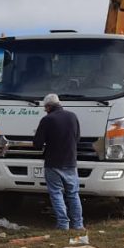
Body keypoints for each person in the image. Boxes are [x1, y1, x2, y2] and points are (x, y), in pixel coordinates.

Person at [32, 93, 86, 238]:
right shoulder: (72, 116)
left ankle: (63, 224)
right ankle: (78, 224)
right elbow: (77, 138)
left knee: (56, 193)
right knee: (73, 193)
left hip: (53, 162)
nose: (45, 110)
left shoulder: (47, 119)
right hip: (71, 161)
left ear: (49, 107)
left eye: (45, 108)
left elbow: (37, 143)